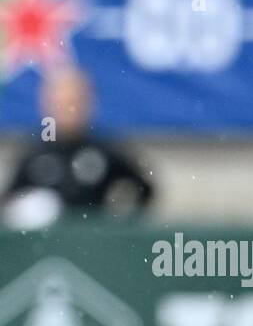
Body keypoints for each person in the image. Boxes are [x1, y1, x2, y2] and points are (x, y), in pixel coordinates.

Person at [3, 67, 153, 227]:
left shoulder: (106, 150)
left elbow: (144, 190)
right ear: (46, 104)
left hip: (94, 243)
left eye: (74, 103)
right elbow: (9, 201)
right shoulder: (33, 154)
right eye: (61, 103)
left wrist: (119, 222)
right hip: (47, 246)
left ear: (88, 103)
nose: (68, 111)